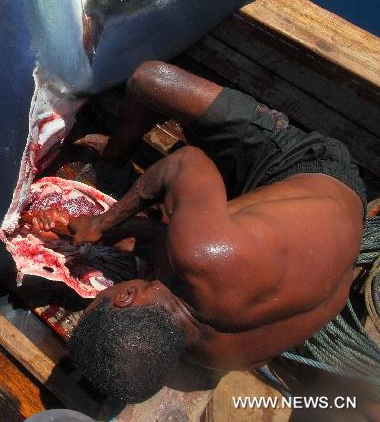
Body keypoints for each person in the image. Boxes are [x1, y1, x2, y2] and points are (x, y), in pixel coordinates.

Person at [26, 61, 367, 403]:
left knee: (152, 84)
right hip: (316, 171)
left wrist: (96, 229)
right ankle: (118, 152)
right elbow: (184, 166)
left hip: (342, 230)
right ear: (126, 297)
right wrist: (101, 226)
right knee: (147, 81)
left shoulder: (221, 357)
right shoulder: (200, 255)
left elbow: (181, 191)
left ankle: (119, 154)